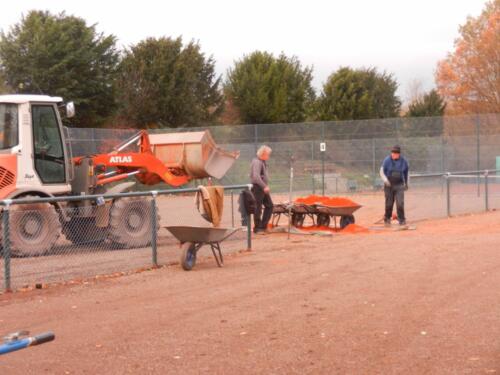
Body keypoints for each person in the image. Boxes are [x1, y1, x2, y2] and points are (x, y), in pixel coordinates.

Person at [380, 145, 409, 226]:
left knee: (400, 203)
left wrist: (406, 184)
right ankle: (387, 219)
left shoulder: (404, 161)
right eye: (392, 152)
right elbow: (381, 172)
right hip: (389, 185)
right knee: (389, 203)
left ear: (398, 154)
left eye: (394, 153)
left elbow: (406, 173)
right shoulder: (387, 160)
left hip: (399, 184)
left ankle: (402, 220)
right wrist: (385, 181)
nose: (392, 154)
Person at [250, 145, 273, 234]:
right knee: (258, 207)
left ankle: (263, 226)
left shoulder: (262, 162)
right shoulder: (257, 162)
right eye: (268, 154)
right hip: (257, 187)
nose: (268, 156)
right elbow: (256, 177)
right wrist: (264, 186)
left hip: (262, 188)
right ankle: (258, 228)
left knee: (269, 205)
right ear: (263, 153)